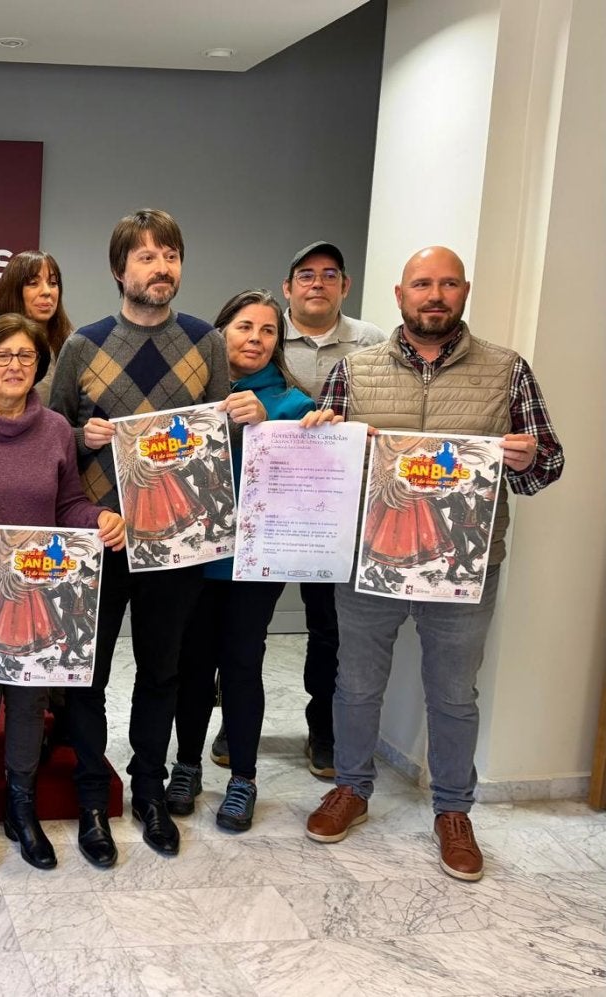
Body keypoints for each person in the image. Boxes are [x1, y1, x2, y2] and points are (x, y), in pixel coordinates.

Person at [301, 246, 564, 881]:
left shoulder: (507, 370)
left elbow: (547, 464)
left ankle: (453, 811)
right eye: (422, 284)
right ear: (400, 295)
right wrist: (325, 440)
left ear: (464, 291)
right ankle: (351, 789)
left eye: (448, 284)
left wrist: (528, 458)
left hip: (464, 564)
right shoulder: (356, 370)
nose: (435, 295)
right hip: (371, 560)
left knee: (453, 693)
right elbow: (325, 469)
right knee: (356, 684)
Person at [49, 208, 230, 865]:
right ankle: (92, 797)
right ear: (118, 269)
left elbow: (215, 439)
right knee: (88, 676)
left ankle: (149, 789)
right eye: (147, 257)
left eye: (171, 255)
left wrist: (242, 416)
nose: (162, 268)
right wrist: (81, 435)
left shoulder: (207, 343)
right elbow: (50, 434)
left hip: (174, 541)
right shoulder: (83, 345)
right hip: (99, 539)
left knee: (162, 672)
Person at [0, 314, 125, 872]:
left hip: (40, 590)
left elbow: (67, 503)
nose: (15, 366)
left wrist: (98, 518)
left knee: (30, 702)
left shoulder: (55, 429)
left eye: (26, 356)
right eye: (3, 356)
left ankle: (22, 809)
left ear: (39, 365)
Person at [168, 290, 316, 833]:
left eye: (268, 330)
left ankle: (244, 779)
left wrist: (281, 426)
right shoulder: (188, 391)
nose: (256, 338)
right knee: (191, 664)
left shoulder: (293, 404)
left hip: (253, 563)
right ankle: (186, 766)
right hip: (191, 557)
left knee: (241, 664)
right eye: (244, 327)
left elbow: (314, 475)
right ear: (220, 332)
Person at [276, 241, 388, 779]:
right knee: (243, 625)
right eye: (305, 275)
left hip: (335, 512)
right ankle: (235, 723)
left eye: (328, 274)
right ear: (287, 287)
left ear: (345, 285)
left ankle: (322, 727)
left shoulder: (372, 343)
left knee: (328, 627)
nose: (316, 283)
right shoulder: (263, 333)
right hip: (269, 505)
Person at [0, 250, 74, 404]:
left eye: (53, 283)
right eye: (33, 283)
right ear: (14, 291)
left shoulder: (73, 344)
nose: (47, 292)